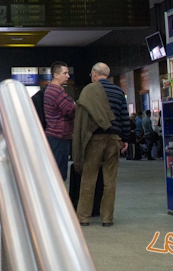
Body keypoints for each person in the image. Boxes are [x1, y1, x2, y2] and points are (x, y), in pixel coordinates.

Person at [72, 62, 130, 227]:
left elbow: (82, 119)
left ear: (94, 74)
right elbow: (124, 117)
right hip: (114, 139)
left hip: (94, 139)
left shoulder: (89, 91)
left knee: (89, 178)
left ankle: (83, 217)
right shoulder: (118, 91)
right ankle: (107, 218)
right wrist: (125, 139)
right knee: (110, 180)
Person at [43, 61, 76, 180]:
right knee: (58, 175)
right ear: (56, 75)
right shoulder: (55, 91)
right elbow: (71, 110)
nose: (68, 76)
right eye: (65, 73)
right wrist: (73, 104)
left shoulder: (56, 91)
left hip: (59, 136)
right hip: (58, 137)